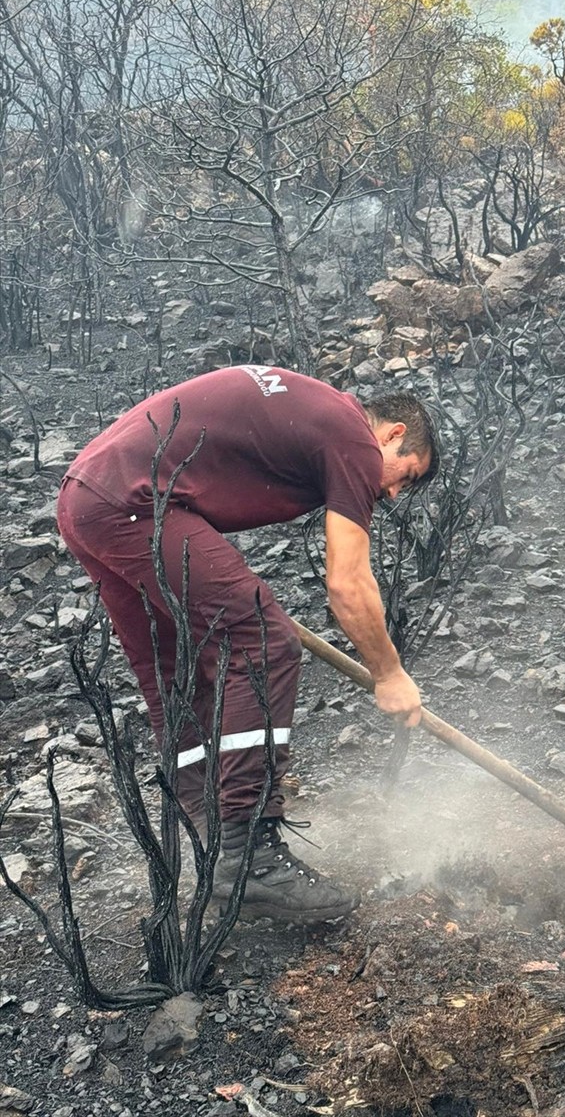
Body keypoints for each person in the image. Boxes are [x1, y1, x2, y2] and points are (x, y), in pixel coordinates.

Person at [56, 365, 438, 924]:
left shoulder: (313, 411)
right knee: (264, 641)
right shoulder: (352, 434)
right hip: (133, 504)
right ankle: (249, 855)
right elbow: (348, 584)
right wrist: (389, 673)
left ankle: (211, 844)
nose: (395, 492)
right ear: (394, 433)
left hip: (86, 499)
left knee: (175, 670)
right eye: (407, 475)